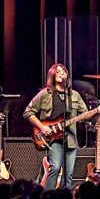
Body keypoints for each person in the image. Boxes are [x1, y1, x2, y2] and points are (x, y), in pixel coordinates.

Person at [24, 63, 88, 191]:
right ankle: (47, 197)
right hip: (53, 138)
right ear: (52, 75)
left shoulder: (74, 95)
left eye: (64, 71)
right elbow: (28, 113)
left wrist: (98, 110)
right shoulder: (45, 94)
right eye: (58, 72)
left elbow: (85, 114)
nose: (62, 73)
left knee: (69, 174)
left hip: (70, 139)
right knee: (55, 167)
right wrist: (42, 127)